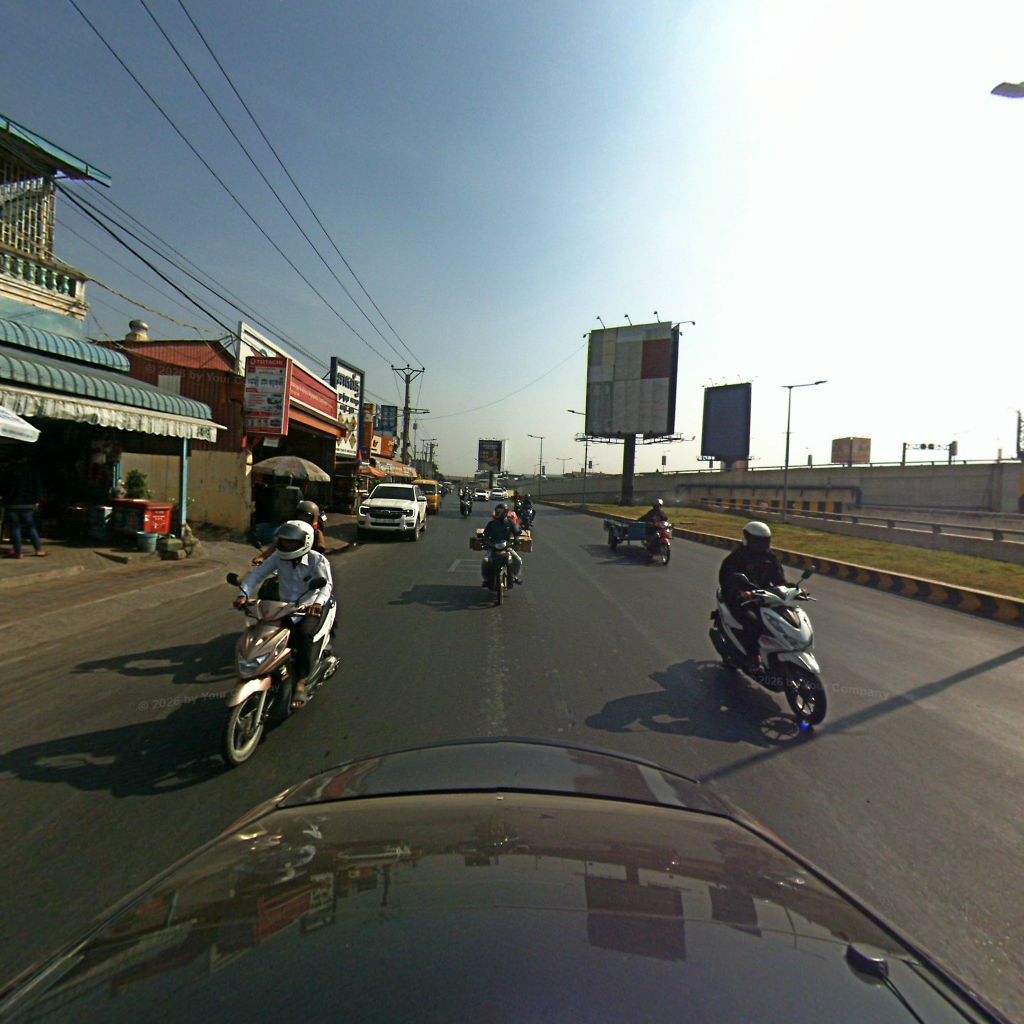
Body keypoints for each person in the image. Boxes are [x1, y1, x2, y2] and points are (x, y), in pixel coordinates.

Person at [235, 520, 334, 706]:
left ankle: (301, 681)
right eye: (284, 541)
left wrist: (317, 604)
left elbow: (326, 586)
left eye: (291, 542)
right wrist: (244, 594)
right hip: (283, 607)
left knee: (303, 635)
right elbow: (257, 575)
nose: (286, 545)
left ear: (305, 542)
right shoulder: (278, 558)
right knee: (263, 632)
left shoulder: (317, 560)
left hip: (307, 607)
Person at [718, 521, 787, 669]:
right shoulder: (737, 557)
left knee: (783, 617)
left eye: (764, 541)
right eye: (757, 541)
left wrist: (791, 589)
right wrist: (740, 594)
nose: (761, 545)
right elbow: (727, 580)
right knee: (753, 621)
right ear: (747, 539)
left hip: (763, 597)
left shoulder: (770, 557)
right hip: (740, 599)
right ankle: (753, 656)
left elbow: (779, 578)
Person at [253, 500, 327, 565]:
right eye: (300, 515)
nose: (302, 518)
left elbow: (320, 550)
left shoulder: (316, 533)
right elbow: (278, 543)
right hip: (288, 560)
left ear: (312, 518)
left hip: (307, 564)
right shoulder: (291, 528)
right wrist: (263, 556)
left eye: (306, 516)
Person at [1, 455, 46, 559]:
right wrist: (37, 500)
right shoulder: (32, 471)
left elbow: (3, 487)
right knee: (31, 526)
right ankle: (38, 549)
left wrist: (5, 498)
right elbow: (37, 486)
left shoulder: (9, 471)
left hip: (12, 503)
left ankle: (18, 551)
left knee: (15, 527)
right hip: (28, 503)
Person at [482, 502, 523, 585]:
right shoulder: (491, 524)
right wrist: (487, 542)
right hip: (493, 547)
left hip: (507, 547)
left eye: (500, 511)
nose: (498, 513)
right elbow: (486, 536)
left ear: (505, 512)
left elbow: (516, 533)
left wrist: (516, 540)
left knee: (518, 560)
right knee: (485, 561)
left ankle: (514, 576)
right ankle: (486, 579)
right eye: (497, 511)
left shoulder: (510, 523)